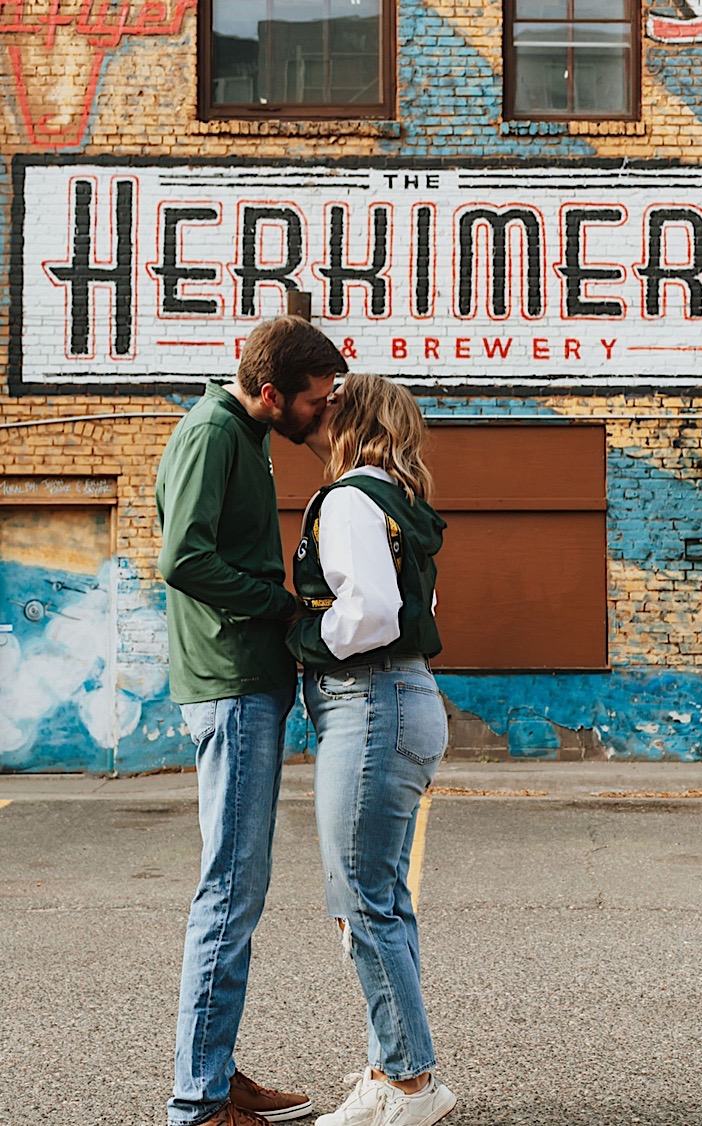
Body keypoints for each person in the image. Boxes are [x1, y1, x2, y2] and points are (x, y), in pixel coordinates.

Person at [157, 316, 346, 1126]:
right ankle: (198, 1102)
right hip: (230, 685)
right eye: (315, 402)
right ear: (271, 393)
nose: (324, 414)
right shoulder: (211, 434)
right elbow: (183, 558)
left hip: (245, 683)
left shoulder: (244, 433)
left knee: (239, 889)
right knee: (229, 892)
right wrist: (283, 605)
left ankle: (217, 1072)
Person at [285, 372, 454, 1126]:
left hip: (371, 701)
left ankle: (413, 1083)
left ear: (352, 420)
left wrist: (302, 635)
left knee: (362, 901)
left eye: (333, 407)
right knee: (380, 900)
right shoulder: (402, 502)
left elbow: (375, 613)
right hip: (403, 700)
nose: (321, 415)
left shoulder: (351, 497)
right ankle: (392, 1070)